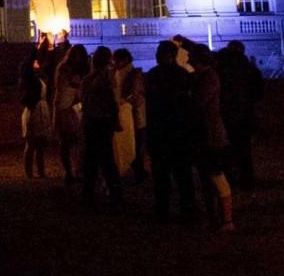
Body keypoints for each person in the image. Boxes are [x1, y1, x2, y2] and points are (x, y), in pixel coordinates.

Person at [146, 40, 198, 222]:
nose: (157, 56)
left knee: (169, 175)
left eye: (160, 53)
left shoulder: (156, 75)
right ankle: (184, 209)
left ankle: (168, 209)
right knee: (178, 175)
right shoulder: (180, 74)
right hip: (174, 130)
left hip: (168, 130)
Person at [186, 41, 235, 232]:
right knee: (207, 178)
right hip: (205, 135)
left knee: (216, 176)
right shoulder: (203, 76)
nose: (188, 60)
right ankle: (215, 217)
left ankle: (227, 219)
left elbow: (197, 102)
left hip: (211, 136)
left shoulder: (209, 78)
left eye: (191, 57)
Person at [80, 46, 123, 206]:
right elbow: (112, 101)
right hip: (102, 120)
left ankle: (89, 193)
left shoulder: (88, 79)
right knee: (106, 159)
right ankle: (114, 193)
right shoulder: (107, 78)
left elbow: (85, 100)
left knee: (91, 158)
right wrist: (115, 119)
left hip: (91, 120)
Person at [217, 40, 264, 189]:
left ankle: (232, 180)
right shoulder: (250, 69)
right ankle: (247, 179)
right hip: (245, 114)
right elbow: (258, 93)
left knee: (229, 149)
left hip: (229, 115)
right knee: (244, 150)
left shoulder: (224, 70)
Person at [53, 44, 89, 184]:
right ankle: (72, 171)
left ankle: (73, 171)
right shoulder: (66, 69)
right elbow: (72, 85)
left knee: (70, 142)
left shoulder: (64, 68)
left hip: (67, 106)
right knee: (70, 141)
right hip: (66, 107)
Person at [113, 48, 148, 182]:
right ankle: (138, 170)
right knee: (134, 143)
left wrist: (123, 101)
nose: (115, 62)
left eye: (117, 60)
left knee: (136, 144)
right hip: (129, 113)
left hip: (133, 113)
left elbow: (135, 94)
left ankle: (139, 171)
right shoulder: (121, 73)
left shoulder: (133, 74)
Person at [19, 48, 51, 178]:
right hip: (34, 110)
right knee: (32, 142)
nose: (38, 63)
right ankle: (29, 173)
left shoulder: (38, 78)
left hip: (41, 109)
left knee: (40, 144)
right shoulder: (29, 79)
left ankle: (41, 172)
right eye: (35, 61)